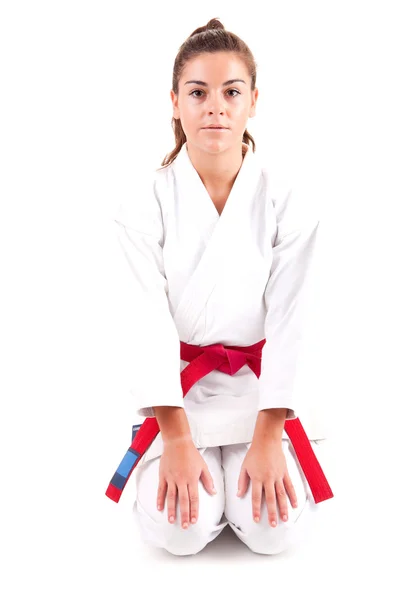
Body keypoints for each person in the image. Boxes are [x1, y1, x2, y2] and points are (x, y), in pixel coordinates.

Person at [106, 17, 334, 556]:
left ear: (253, 100)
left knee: (272, 531)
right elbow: (142, 320)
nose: (215, 106)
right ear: (174, 102)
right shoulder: (143, 203)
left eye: (231, 92)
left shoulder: (286, 200)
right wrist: (177, 437)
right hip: (178, 390)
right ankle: (198, 469)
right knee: (177, 533)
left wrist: (267, 432)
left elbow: (293, 318)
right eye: (198, 92)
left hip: (263, 391)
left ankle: (245, 475)